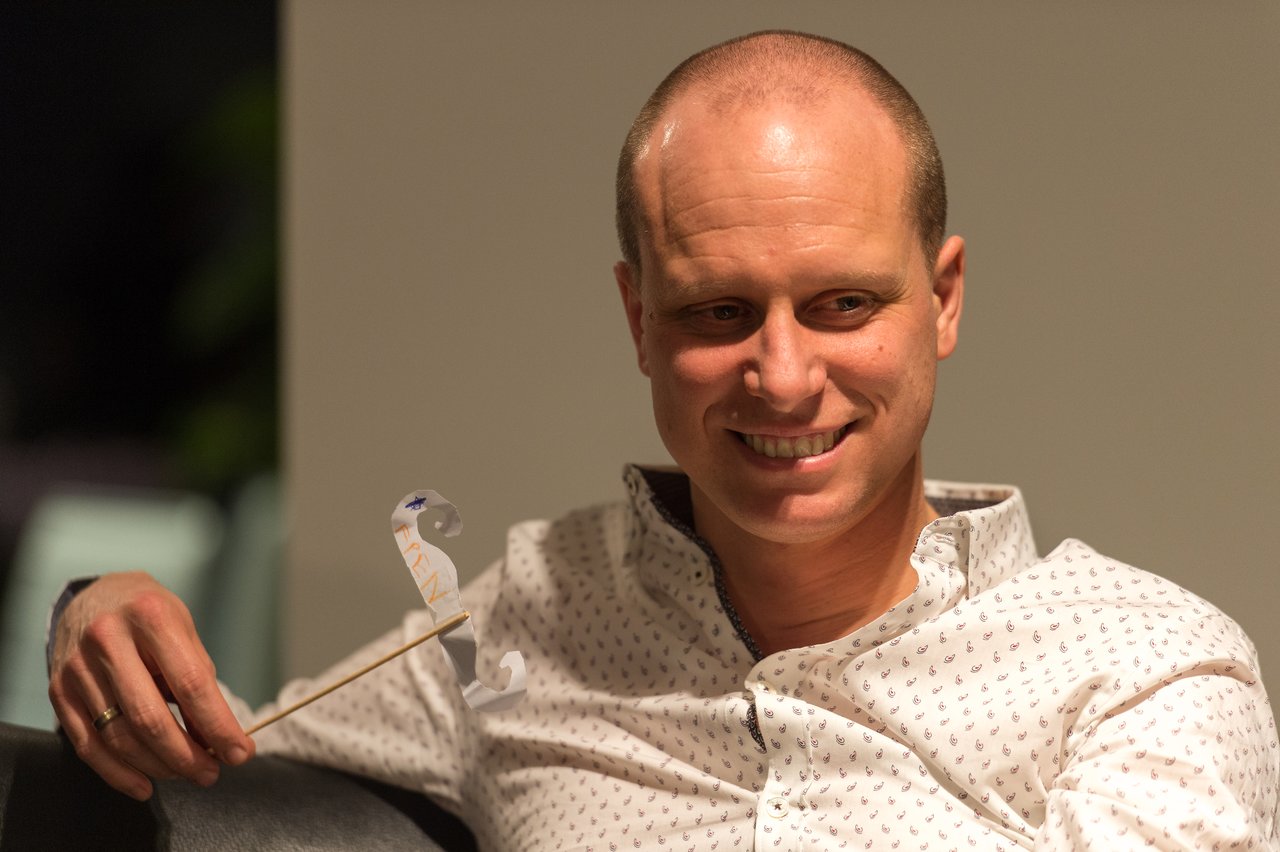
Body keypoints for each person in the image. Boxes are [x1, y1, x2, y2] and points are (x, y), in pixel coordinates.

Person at [48, 30, 1277, 849]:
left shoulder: (1144, 675)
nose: (783, 376)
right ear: (639, 320)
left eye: (843, 303)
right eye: (717, 313)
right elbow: (217, 760)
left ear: (942, 299)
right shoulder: (525, 622)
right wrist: (93, 614)